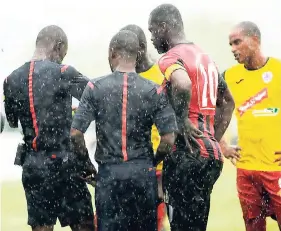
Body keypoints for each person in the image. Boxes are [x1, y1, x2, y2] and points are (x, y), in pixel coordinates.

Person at [71, 30, 178, 231]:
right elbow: (169, 137)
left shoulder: (95, 87)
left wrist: (88, 166)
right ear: (138, 55)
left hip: (110, 175)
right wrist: (152, 162)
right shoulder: (153, 90)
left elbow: (76, 134)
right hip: (142, 173)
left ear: (112, 53)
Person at [148, 4, 235, 231]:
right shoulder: (204, 57)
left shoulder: (170, 57)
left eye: (152, 31)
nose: (151, 39)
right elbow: (227, 101)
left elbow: (183, 83)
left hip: (186, 155)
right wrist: (212, 138)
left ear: (164, 27)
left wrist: (182, 118)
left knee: (181, 226)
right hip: (210, 156)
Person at [3, 25, 95, 231]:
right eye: (63, 54)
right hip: (65, 163)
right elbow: (97, 98)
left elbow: (11, 122)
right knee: (85, 226)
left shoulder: (10, 80)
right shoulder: (63, 72)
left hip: (34, 165)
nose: (62, 59)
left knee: (42, 228)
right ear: (58, 47)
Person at [221, 21, 281, 231]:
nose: (233, 49)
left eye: (237, 42)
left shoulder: (278, 70)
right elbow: (211, 113)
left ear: (255, 40)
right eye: (230, 44)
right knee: (253, 227)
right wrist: (222, 144)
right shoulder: (229, 77)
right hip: (246, 169)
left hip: (276, 167)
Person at [120, 24, 169, 231]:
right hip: (127, 168)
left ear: (141, 47)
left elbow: (173, 125)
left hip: (158, 167)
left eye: (129, 50)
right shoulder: (122, 77)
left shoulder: (164, 74)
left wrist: (161, 168)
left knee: (155, 223)